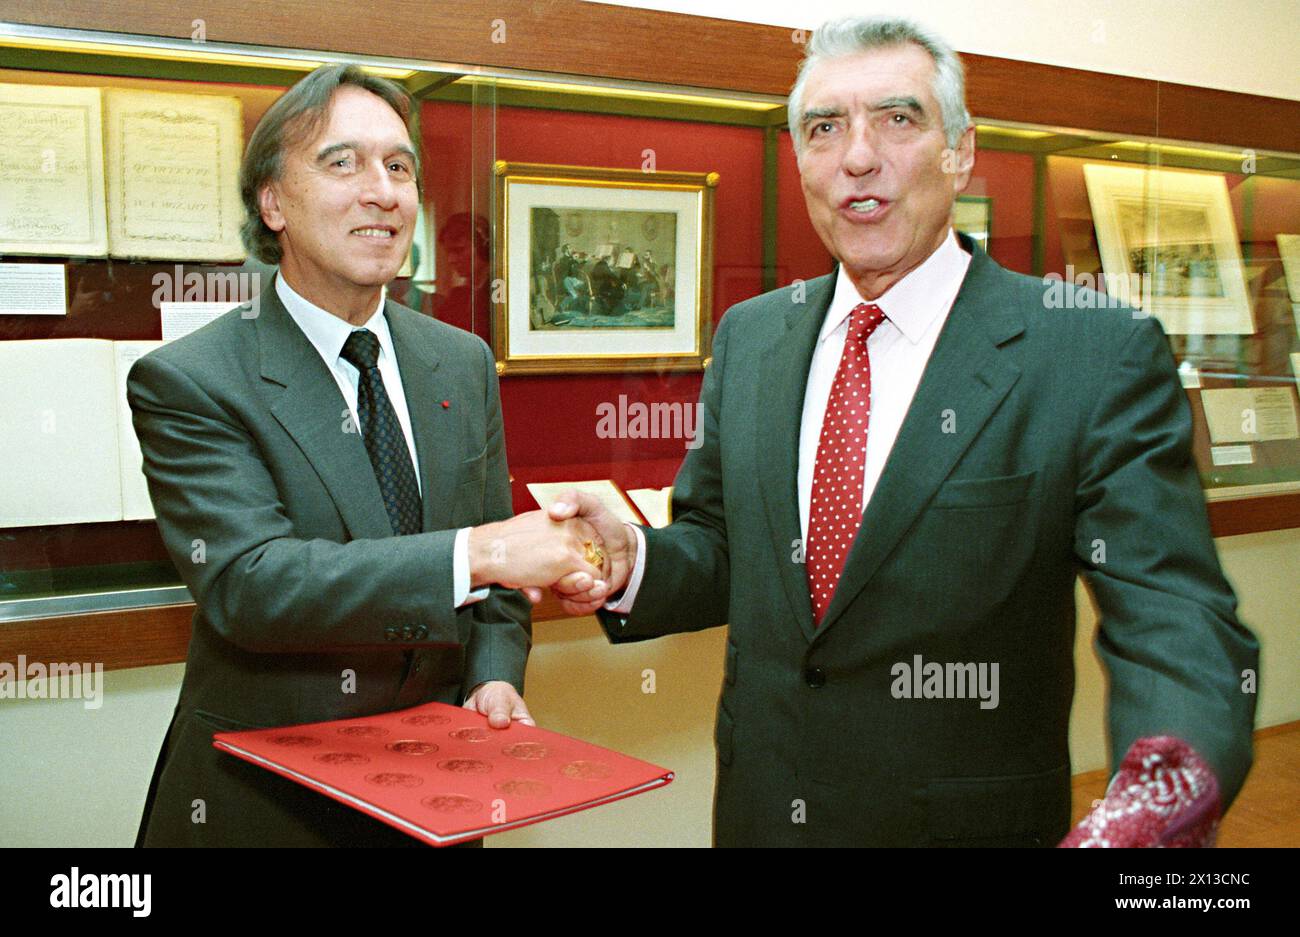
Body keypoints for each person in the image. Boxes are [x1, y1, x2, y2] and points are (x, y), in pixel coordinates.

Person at [545, 16, 1259, 847]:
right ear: (801, 161)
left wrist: (1151, 808)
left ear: (961, 150)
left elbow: (1178, 624)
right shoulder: (753, 337)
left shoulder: (1089, 353)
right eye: (824, 128)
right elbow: (726, 548)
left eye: (898, 119)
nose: (857, 156)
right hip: (765, 818)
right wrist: (635, 559)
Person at [128, 65, 602, 847]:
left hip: (439, 802)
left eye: (399, 165)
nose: (381, 191)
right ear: (272, 201)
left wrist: (491, 674)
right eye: (341, 162)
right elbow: (253, 586)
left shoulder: (461, 362)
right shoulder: (192, 379)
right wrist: (480, 551)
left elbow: (500, 582)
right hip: (267, 805)